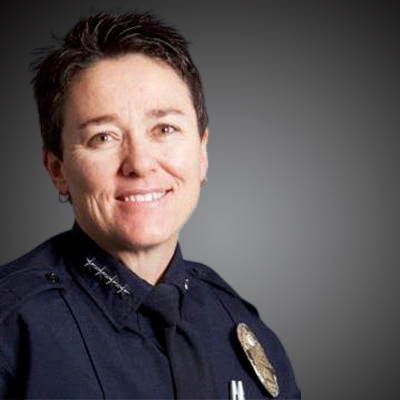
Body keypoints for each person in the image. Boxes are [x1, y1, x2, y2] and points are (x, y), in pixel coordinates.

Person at [0, 11, 301, 399]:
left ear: (202, 153)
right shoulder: (12, 329)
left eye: (165, 129)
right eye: (103, 137)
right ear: (58, 169)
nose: (140, 164)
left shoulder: (237, 322)